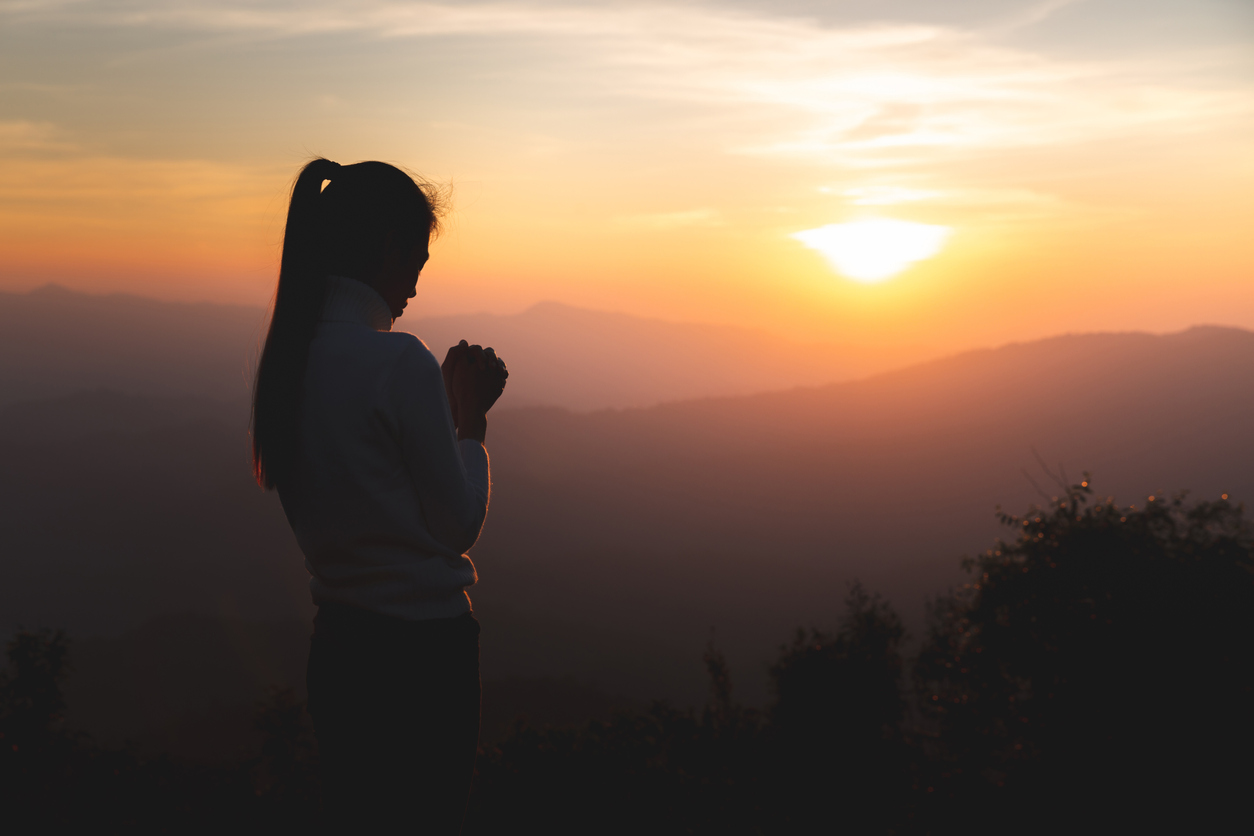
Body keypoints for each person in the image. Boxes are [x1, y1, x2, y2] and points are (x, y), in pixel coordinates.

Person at [250, 158, 507, 833]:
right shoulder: (399, 362)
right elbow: (455, 525)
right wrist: (471, 421)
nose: (416, 288)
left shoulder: (286, 363)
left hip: (338, 650)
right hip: (424, 659)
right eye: (417, 260)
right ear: (391, 247)